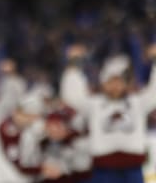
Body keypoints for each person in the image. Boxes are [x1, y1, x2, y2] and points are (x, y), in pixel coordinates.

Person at [60, 44, 156, 183]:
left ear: (125, 84)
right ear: (103, 84)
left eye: (119, 81)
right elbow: (71, 95)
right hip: (103, 170)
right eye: (110, 81)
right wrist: (74, 64)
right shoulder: (94, 104)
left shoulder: (137, 103)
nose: (115, 85)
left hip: (133, 169)